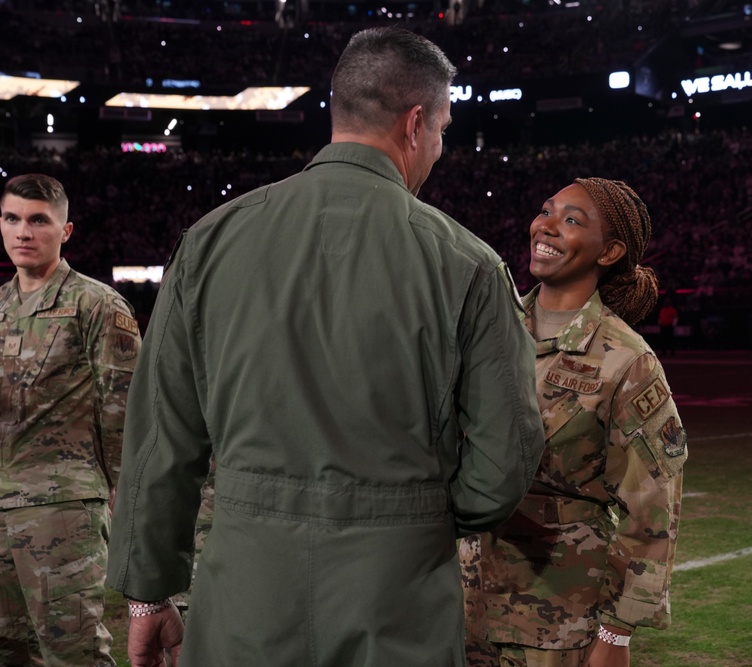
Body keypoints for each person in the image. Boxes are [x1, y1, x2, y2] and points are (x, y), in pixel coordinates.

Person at [106, 27, 545, 667]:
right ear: (416, 123)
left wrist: (147, 594)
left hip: (245, 589)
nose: (440, 148)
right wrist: (423, 516)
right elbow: (505, 458)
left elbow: (161, 438)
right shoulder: (467, 262)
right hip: (397, 592)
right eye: (445, 129)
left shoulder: (211, 241)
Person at [461, 177, 688, 667]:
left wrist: (617, 633)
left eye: (571, 220)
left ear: (608, 252)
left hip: (557, 618)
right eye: (546, 210)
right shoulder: (486, 328)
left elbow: (651, 508)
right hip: (458, 606)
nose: (546, 226)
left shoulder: (626, 360)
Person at [0, 173, 141, 665]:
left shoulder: (96, 304)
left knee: (73, 654)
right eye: (12, 218)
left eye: (38, 220)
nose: (23, 231)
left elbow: (126, 412)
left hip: (62, 509)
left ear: (65, 231)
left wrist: (130, 506)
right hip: (2, 504)